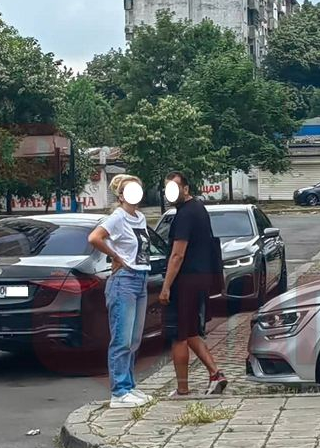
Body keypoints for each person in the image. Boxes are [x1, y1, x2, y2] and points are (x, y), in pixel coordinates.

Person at [158, 171, 228, 396]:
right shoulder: (198, 208)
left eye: (175, 188)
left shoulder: (185, 214)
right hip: (200, 278)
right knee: (189, 332)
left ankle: (182, 389)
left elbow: (177, 254)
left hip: (185, 281)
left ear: (186, 189)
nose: (171, 193)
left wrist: (166, 286)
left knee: (178, 335)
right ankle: (216, 374)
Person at [88, 175, 152, 408]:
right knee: (121, 338)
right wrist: (115, 256)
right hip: (123, 280)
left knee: (134, 339)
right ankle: (119, 391)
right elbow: (94, 237)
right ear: (121, 195)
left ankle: (130, 386)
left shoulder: (140, 217)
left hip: (141, 278)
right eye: (129, 190)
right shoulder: (116, 217)